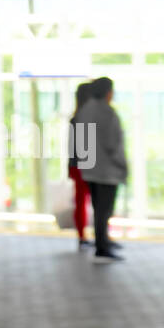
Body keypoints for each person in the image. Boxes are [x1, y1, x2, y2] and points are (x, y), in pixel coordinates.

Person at [76, 77, 128, 264]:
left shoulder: (85, 110)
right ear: (108, 92)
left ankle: (102, 242)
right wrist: (123, 166)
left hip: (90, 169)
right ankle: (102, 246)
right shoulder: (107, 113)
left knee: (98, 209)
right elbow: (113, 144)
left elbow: (81, 141)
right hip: (107, 171)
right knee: (104, 210)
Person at [67, 82, 94, 249]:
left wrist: (69, 167)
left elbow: (71, 147)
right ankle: (99, 235)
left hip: (76, 166)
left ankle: (81, 236)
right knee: (97, 202)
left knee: (80, 202)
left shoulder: (75, 118)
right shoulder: (91, 117)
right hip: (90, 166)